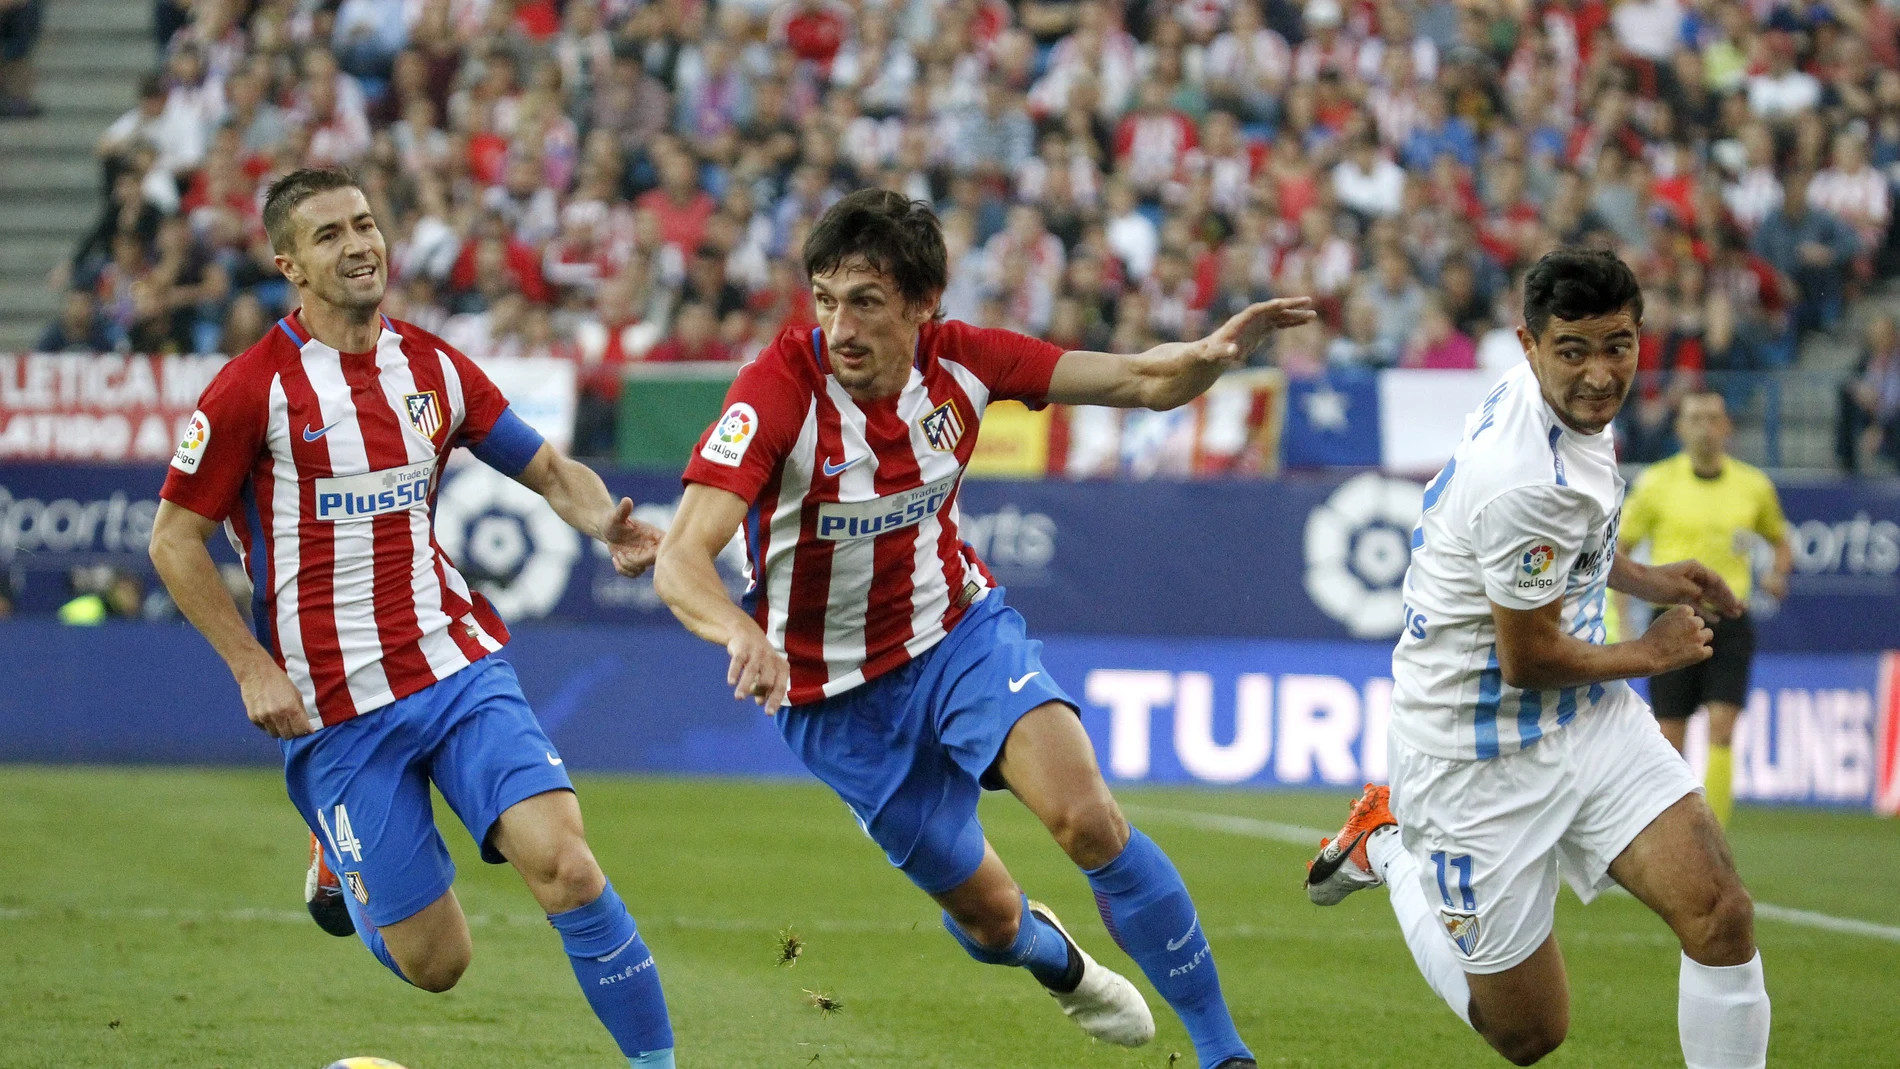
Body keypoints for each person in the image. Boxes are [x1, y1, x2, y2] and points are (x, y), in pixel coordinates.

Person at [653, 189, 1315, 1069]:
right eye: (824, 299)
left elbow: (1140, 379)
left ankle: (1223, 1051)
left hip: (957, 636)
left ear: (923, 307)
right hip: (831, 701)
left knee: (1087, 819)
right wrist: (739, 633)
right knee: (992, 920)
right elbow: (680, 557)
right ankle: (1055, 956)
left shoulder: (965, 361)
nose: (839, 326)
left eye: (866, 302)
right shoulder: (776, 392)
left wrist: (1210, 355)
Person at [146, 169, 678, 1068]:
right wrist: (249, 664)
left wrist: (604, 521)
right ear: (290, 265)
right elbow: (172, 541)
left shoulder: (430, 366)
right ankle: (337, 863)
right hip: (335, 708)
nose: (359, 244)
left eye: (365, 224)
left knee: (567, 865)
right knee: (440, 963)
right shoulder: (251, 391)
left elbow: (548, 469)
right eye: (329, 235)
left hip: (455, 662)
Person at [1303, 249, 1770, 1068]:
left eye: (1618, 345)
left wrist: (1648, 575)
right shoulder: (1525, 478)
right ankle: (1388, 839)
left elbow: (1577, 538)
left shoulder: (1566, 409)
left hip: (1587, 724)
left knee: (1720, 912)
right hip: (1474, 755)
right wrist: (1650, 651)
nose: (1600, 374)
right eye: (1575, 351)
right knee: (1527, 1032)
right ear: (1529, 343)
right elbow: (1529, 656)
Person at [1619, 392, 1791, 827]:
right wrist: (1621, 617)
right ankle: (1669, 827)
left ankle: (1712, 830)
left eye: (1713, 418)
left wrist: (1777, 575)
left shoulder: (1753, 486)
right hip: (1672, 620)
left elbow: (1780, 539)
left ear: (1726, 427)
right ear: (1680, 429)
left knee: (1723, 728)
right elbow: (1617, 550)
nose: (1704, 427)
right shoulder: (1656, 482)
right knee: (1669, 736)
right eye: (1694, 418)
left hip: (1729, 620)